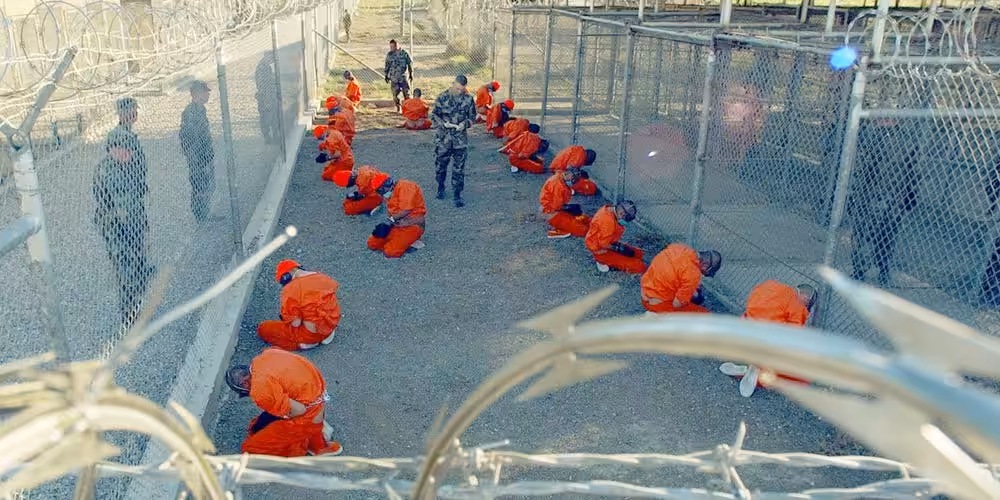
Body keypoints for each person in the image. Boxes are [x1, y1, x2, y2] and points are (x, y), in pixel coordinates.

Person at [93, 97, 155, 329]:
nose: (127, 153)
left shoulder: (123, 158)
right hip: (120, 226)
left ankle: (136, 308)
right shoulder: (111, 171)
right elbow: (119, 208)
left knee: (136, 266)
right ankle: (130, 315)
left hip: (131, 220)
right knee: (127, 269)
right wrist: (134, 232)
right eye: (122, 150)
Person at [225, 348, 343, 457]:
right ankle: (317, 442)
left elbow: (299, 410)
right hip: (318, 398)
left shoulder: (260, 390)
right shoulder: (266, 356)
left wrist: (283, 417)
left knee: (249, 447)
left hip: (308, 413)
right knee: (265, 421)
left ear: (245, 384)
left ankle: (304, 440)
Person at [847, 118, 919, 286]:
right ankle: (882, 269)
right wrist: (910, 197)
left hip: (875, 195)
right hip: (891, 197)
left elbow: (866, 171)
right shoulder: (907, 140)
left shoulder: (875, 138)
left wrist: (856, 195)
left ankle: (862, 270)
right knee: (885, 235)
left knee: (866, 234)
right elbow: (914, 172)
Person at [719, 281, 817, 397]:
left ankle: (751, 367)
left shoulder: (770, 285)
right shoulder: (797, 308)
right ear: (806, 299)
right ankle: (756, 370)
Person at [257, 260, 341, 350]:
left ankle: (305, 343)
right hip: (331, 324)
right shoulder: (323, 277)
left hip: (311, 334)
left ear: (286, 277)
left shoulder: (291, 289)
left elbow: (295, 323)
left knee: (263, 329)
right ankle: (326, 334)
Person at [431, 74, 477, 207]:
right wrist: (443, 124)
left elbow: (472, 117)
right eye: (457, 88)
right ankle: (440, 186)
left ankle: (457, 194)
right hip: (443, 139)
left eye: (461, 90)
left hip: (460, 140)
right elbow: (434, 115)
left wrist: (465, 124)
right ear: (453, 84)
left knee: (459, 169)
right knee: (440, 166)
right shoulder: (442, 97)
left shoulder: (468, 99)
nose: (459, 92)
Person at [640, 244, 722, 314]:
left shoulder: (678, 248)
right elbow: (677, 304)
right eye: (705, 272)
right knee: (705, 315)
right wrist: (690, 297)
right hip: (657, 305)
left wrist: (690, 290)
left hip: (644, 293)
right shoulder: (693, 274)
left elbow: (675, 273)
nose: (703, 274)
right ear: (705, 265)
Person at [179, 80, 215, 222]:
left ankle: (205, 213)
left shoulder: (200, 110)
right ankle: (200, 215)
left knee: (206, 185)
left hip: (204, 155)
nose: (208, 95)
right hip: (198, 157)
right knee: (199, 186)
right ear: (198, 94)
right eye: (205, 92)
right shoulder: (190, 112)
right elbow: (189, 138)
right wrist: (196, 159)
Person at [366, 173, 427, 258]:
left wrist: (390, 220)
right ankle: (403, 242)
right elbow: (393, 213)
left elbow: (406, 209)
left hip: (413, 224)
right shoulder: (390, 193)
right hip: (397, 224)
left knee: (390, 252)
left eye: (380, 190)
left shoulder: (406, 187)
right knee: (372, 244)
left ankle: (407, 242)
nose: (381, 193)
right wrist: (388, 225)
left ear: (386, 185)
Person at [585, 201, 646, 274]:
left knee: (638, 253)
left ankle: (613, 260)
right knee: (639, 266)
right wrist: (617, 249)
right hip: (600, 250)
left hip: (607, 242)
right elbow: (603, 244)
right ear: (621, 214)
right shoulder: (608, 223)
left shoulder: (608, 210)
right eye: (625, 218)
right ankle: (602, 261)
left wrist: (618, 247)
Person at [539, 170, 591, 239]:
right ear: (566, 174)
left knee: (583, 219)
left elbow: (558, 204)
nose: (573, 180)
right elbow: (556, 206)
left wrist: (568, 208)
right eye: (572, 177)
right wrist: (568, 208)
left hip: (555, 209)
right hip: (552, 213)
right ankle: (559, 230)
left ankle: (564, 225)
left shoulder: (561, 179)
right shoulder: (558, 186)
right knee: (583, 230)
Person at [254, 56, 279, 144]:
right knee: (266, 118)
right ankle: (267, 138)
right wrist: (267, 101)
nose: (272, 62)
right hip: (265, 99)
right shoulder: (261, 69)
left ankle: (274, 137)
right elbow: (262, 87)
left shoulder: (266, 67)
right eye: (272, 59)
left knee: (274, 118)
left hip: (270, 98)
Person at [384, 39, 413, 112]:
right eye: (390, 46)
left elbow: (409, 64)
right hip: (394, 78)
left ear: (397, 45)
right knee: (395, 95)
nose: (391, 48)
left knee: (407, 94)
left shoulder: (404, 53)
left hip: (403, 77)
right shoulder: (390, 54)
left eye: (393, 46)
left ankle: (408, 109)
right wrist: (386, 75)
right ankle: (398, 108)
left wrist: (411, 74)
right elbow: (387, 65)